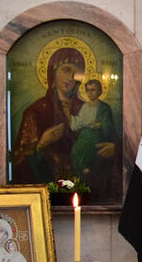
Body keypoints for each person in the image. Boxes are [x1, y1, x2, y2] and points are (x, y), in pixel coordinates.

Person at [11, 49, 117, 202]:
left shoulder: (89, 108)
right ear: (52, 72)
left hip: (88, 187)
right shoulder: (36, 111)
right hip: (49, 191)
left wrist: (114, 149)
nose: (70, 78)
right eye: (66, 70)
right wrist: (41, 144)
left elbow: (110, 141)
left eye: (77, 73)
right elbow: (20, 161)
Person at [69, 79, 118, 199]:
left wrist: (100, 125)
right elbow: (79, 122)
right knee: (75, 149)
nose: (90, 93)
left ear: (100, 91)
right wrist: (69, 117)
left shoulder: (104, 108)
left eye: (93, 90)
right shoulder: (85, 106)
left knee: (92, 148)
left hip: (99, 135)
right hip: (86, 133)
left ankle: (87, 168)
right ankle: (82, 168)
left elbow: (108, 125)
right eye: (88, 91)